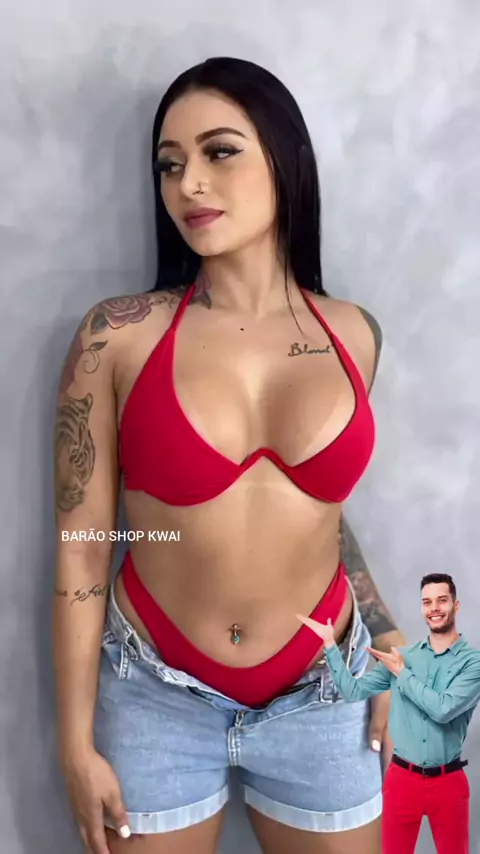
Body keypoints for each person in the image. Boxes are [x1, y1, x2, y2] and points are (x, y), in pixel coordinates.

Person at [52, 56, 405, 854]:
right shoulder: (118, 335)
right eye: (169, 164)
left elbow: (319, 512)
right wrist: (74, 742)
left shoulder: (355, 335)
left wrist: (384, 634)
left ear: (284, 158)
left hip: (327, 691)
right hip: (157, 697)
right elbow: (82, 551)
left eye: (219, 152)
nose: (189, 184)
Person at [298, 572, 480, 854]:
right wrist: (331, 647)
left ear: (455, 606)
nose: (434, 608)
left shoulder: (472, 663)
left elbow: (443, 709)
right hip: (402, 779)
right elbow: (353, 691)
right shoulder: (406, 657)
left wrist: (401, 674)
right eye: (427, 602)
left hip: (447, 781)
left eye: (442, 600)